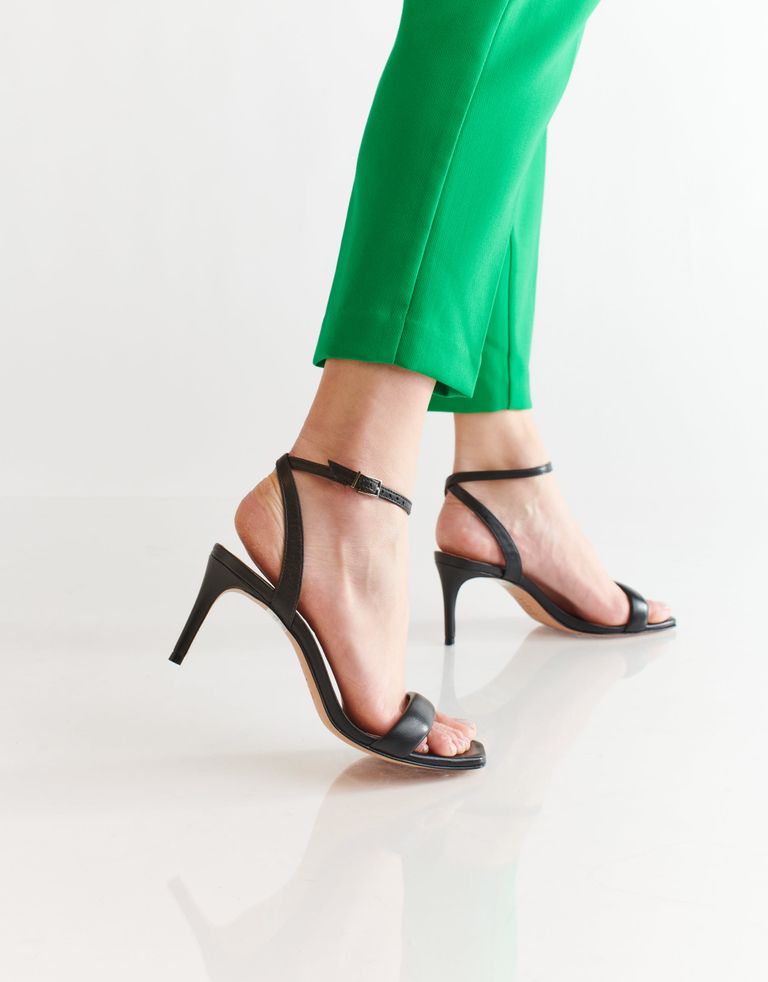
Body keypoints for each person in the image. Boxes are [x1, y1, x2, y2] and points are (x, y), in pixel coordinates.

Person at [171, 0, 674, 770]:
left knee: (524, 32)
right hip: (343, 479)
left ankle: (500, 460)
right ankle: (346, 474)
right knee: (497, 16)